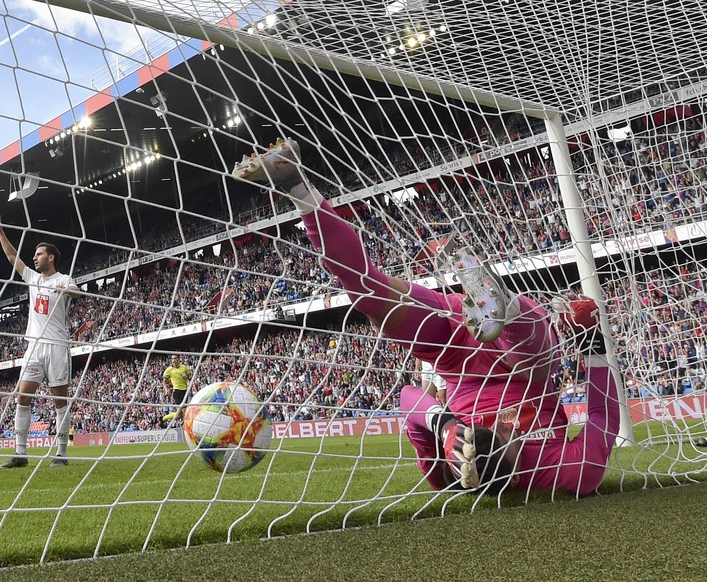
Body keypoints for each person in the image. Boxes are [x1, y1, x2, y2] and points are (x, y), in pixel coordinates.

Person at [232, 138, 620, 496]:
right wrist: (591, 340)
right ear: (511, 460)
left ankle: (298, 187)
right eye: (504, 432)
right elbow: (603, 417)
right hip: (519, 363)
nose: (501, 423)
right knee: (533, 361)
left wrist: (445, 424)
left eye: (487, 427)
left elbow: (408, 397)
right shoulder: (567, 470)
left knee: (369, 293)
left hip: (457, 358)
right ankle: (506, 306)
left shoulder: (444, 470)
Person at [0, 211, 79, 468]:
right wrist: (0, 232)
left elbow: (76, 291)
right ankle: (21, 453)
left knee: (59, 400)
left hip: (57, 346)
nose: (34, 257)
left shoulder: (63, 279)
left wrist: (66, 289)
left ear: (50, 257)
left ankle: (62, 454)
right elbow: (12, 257)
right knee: (22, 395)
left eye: (39, 254)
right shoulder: (32, 278)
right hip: (34, 345)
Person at [161, 354, 192, 425]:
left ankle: (164, 418)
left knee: (179, 415)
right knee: (185, 412)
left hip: (185, 391)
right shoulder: (169, 370)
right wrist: (166, 390)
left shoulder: (184, 368)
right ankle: (186, 429)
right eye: (172, 359)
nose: (173, 360)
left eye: (175, 358)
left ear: (178, 359)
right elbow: (164, 382)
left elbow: (190, 378)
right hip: (177, 392)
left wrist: (186, 376)